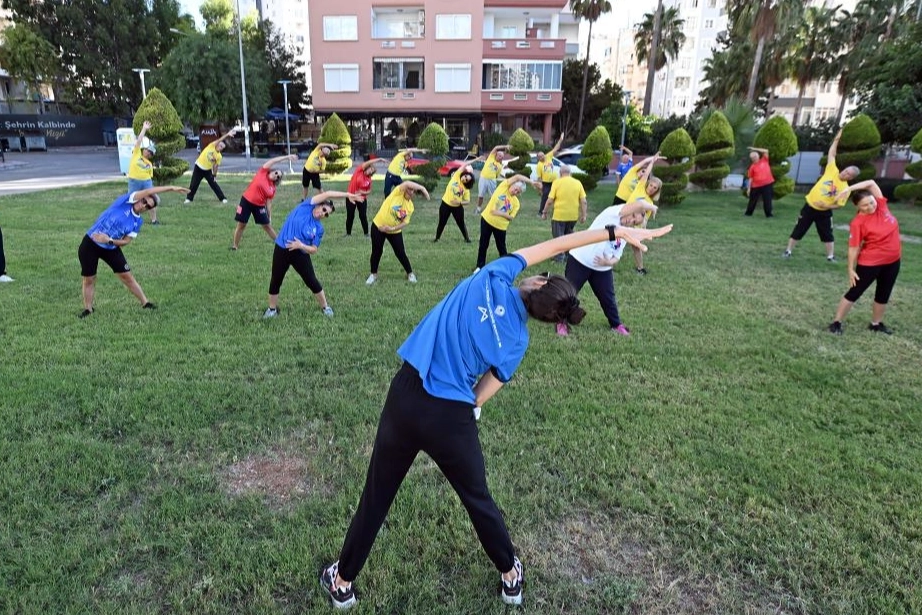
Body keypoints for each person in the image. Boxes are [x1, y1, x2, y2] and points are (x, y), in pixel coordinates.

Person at [318, 221, 673, 611]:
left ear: (538, 283)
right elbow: (479, 397)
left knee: (377, 496)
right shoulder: (518, 342)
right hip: (452, 416)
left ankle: (343, 582)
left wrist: (612, 231)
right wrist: (454, 412)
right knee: (478, 500)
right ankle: (510, 577)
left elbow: (559, 242)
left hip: (406, 395)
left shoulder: (495, 273)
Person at [78, 185, 189, 318]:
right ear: (140, 197)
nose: (144, 206)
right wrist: (171, 188)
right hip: (90, 244)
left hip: (111, 247)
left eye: (148, 206)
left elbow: (125, 241)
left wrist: (109, 240)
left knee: (127, 277)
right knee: (89, 278)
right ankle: (88, 309)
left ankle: (145, 303)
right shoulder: (125, 202)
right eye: (144, 201)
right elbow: (149, 191)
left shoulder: (137, 221)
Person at [560, 200, 659, 337]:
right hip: (580, 260)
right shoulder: (611, 214)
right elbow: (639, 204)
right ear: (629, 210)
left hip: (602, 268)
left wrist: (607, 262)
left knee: (608, 298)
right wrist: (652, 207)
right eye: (633, 216)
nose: (631, 221)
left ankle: (616, 324)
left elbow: (617, 257)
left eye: (635, 222)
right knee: (569, 293)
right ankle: (561, 323)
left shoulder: (624, 234)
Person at [263, 191, 361, 319]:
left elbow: (314, 249)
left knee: (311, 280)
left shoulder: (319, 229)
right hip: (282, 248)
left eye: (326, 214)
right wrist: (348, 195)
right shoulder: (306, 206)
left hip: (300, 254)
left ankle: (326, 307)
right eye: (324, 209)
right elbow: (328, 193)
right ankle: (272, 309)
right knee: (276, 279)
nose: (323, 214)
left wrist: (301, 246)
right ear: (319, 204)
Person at [827, 180, 902, 335]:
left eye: (871, 202)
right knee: (855, 292)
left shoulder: (881, 206)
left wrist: (848, 189)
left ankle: (876, 324)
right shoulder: (858, 222)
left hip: (893, 261)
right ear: (857, 207)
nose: (870, 207)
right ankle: (836, 323)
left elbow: (871, 183)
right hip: (870, 263)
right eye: (865, 205)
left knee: (884, 292)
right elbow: (853, 247)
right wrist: (850, 269)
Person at [783, 128, 860, 261]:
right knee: (799, 229)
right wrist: (837, 139)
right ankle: (788, 251)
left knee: (827, 234)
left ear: (851, 177)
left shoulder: (845, 189)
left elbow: (839, 205)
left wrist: (826, 205)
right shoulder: (832, 170)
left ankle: (830, 256)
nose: (845, 173)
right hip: (809, 207)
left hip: (824, 213)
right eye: (846, 170)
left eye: (849, 174)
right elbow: (832, 154)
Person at [366, 180, 430, 285]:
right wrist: (423, 188)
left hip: (394, 231)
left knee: (400, 252)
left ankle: (410, 273)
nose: (410, 190)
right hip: (378, 226)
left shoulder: (410, 206)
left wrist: (391, 229)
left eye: (413, 189)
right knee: (377, 251)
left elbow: (405, 223)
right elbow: (407, 183)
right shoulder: (397, 193)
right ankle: (373, 274)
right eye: (409, 188)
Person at [475, 174, 541, 271]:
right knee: (483, 244)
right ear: (511, 185)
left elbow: (511, 217)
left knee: (501, 247)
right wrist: (532, 182)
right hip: (487, 220)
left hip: (501, 227)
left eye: (518, 192)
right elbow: (518, 176)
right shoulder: (503, 187)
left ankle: (506, 267)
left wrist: (499, 213)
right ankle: (479, 266)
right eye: (515, 189)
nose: (515, 192)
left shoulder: (516, 203)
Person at [232, 154, 298, 251]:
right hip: (246, 201)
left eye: (278, 177)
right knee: (242, 224)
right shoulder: (262, 172)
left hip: (259, 206)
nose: (276, 176)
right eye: (276, 173)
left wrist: (269, 215)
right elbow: (274, 160)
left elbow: (269, 202)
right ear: (272, 171)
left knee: (267, 226)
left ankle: (280, 243)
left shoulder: (272, 188)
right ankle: (235, 246)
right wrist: (287, 157)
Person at [622, 156, 663, 276]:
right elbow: (646, 174)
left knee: (636, 247)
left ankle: (640, 268)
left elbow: (644, 220)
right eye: (651, 185)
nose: (651, 189)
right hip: (623, 218)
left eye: (655, 188)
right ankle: (606, 264)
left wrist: (641, 231)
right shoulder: (640, 188)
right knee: (613, 241)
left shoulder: (650, 203)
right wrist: (652, 161)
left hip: (634, 225)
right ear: (648, 184)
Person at [540, 165, 587, 263]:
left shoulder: (557, 182)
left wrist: (544, 212)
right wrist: (584, 215)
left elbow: (550, 200)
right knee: (568, 236)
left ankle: (559, 257)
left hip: (559, 215)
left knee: (558, 237)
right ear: (570, 173)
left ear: (560, 173)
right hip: (573, 216)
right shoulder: (577, 183)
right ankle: (568, 255)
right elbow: (583, 201)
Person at [185, 127, 236, 204]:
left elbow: (216, 166)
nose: (221, 148)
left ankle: (222, 198)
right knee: (194, 184)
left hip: (207, 170)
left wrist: (214, 175)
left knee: (214, 184)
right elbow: (220, 139)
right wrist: (227, 134)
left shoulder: (219, 156)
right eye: (220, 146)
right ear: (218, 144)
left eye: (222, 148)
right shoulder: (211, 146)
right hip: (198, 167)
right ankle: (189, 199)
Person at [433, 161, 479, 243]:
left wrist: (459, 203)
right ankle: (437, 238)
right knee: (442, 222)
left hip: (457, 207)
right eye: (465, 176)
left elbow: (468, 201)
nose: (464, 179)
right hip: (445, 204)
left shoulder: (466, 189)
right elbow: (464, 165)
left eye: (467, 180)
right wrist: (477, 159)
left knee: (461, 223)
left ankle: (467, 239)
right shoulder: (456, 177)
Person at [126, 120, 159, 224]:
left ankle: (154, 220)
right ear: (144, 150)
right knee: (131, 200)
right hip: (134, 181)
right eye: (148, 151)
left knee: (151, 199)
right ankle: (129, 219)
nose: (149, 153)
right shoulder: (136, 154)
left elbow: (150, 176)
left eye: (151, 153)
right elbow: (139, 140)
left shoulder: (149, 164)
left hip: (146, 182)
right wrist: (144, 128)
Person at [345, 158, 386, 237]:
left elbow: (369, 191)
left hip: (362, 199)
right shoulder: (359, 171)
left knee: (363, 216)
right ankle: (348, 234)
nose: (370, 172)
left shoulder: (369, 179)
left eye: (371, 171)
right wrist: (379, 159)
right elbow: (368, 162)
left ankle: (366, 233)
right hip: (351, 197)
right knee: (350, 215)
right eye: (369, 169)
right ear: (367, 168)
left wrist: (362, 192)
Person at [475, 144, 515, 214]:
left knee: (493, 196)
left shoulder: (499, 166)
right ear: (496, 155)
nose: (500, 158)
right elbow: (496, 147)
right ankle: (478, 209)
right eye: (499, 156)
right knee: (480, 195)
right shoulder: (491, 157)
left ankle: (491, 209)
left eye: (502, 157)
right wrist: (505, 146)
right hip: (483, 178)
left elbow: (496, 175)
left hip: (492, 180)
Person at [536, 133, 565, 216]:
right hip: (546, 183)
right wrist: (540, 188)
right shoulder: (539, 165)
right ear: (538, 158)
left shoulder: (548, 156)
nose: (543, 157)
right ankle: (541, 212)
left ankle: (557, 211)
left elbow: (556, 148)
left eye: (543, 155)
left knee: (557, 196)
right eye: (540, 157)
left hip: (555, 182)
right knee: (545, 197)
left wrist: (561, 139)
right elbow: (539, 178)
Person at [744, 146, 774, 217]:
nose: (753, 159)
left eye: (754, 157)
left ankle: (769, 214)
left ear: (758, 156)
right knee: (752, 200)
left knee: (767, 200)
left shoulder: (764, 160)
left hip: (767, 184)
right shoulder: (752, 167)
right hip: (756, 186)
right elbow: (750, 178)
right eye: (752, 158)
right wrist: (749, 188)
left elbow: (766, 150)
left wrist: (754, 149)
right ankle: (748, 213)